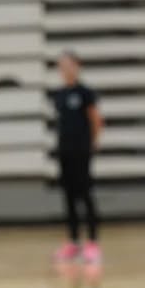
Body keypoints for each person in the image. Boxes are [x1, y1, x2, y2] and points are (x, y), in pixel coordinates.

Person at [52, 51, 103, 264]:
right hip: (65, 152)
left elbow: (96, 119)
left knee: (85, 195)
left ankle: (92, 243)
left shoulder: (85, 93)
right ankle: (73, 242)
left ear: (77, 66)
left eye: (68, 65)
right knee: (69, 197)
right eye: (61, 66)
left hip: (82, 152)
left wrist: (92, 144)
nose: (65, 69)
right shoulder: (59, 94)